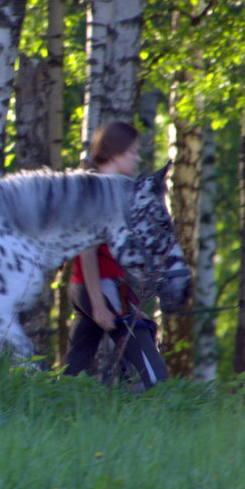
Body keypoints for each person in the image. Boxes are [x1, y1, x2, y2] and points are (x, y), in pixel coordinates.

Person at [64, 121, 169, 392]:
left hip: (98, 288)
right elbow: (86, 250)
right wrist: (99, 304)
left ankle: (55, 410)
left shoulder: (112, 189)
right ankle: (165, 412)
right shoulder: (97, 189)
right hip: (99, 288)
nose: (138, 158)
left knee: (73, 372)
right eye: (132, 152)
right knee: (154, 373)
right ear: (115, 153)